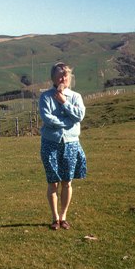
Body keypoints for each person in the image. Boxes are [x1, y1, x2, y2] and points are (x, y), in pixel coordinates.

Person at [39, 62, 87, 230]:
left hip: (71, 145)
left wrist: (64, 102)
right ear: (53, 77)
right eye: (60, 75)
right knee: (53, 183)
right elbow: (47, 119)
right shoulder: (45, 97)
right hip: (50, 144)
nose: (63, 78)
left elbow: (80, 115)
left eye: (66, 75)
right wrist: (68, 122)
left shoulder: (76, 97)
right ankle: (54, 218)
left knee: (67, 182)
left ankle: (64, 216)